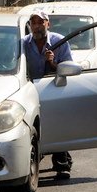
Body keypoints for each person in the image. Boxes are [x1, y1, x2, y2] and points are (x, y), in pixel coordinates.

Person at [23, 10, 74, 180]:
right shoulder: (23, 44)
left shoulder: (59, 41)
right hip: (30, 90)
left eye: (40, 22)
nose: (37, 26)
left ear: (47, 24)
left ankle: (62, 164)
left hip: (53, 88)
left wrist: (52, 63)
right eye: (34, 22)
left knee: (57, 123)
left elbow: (68, 68)